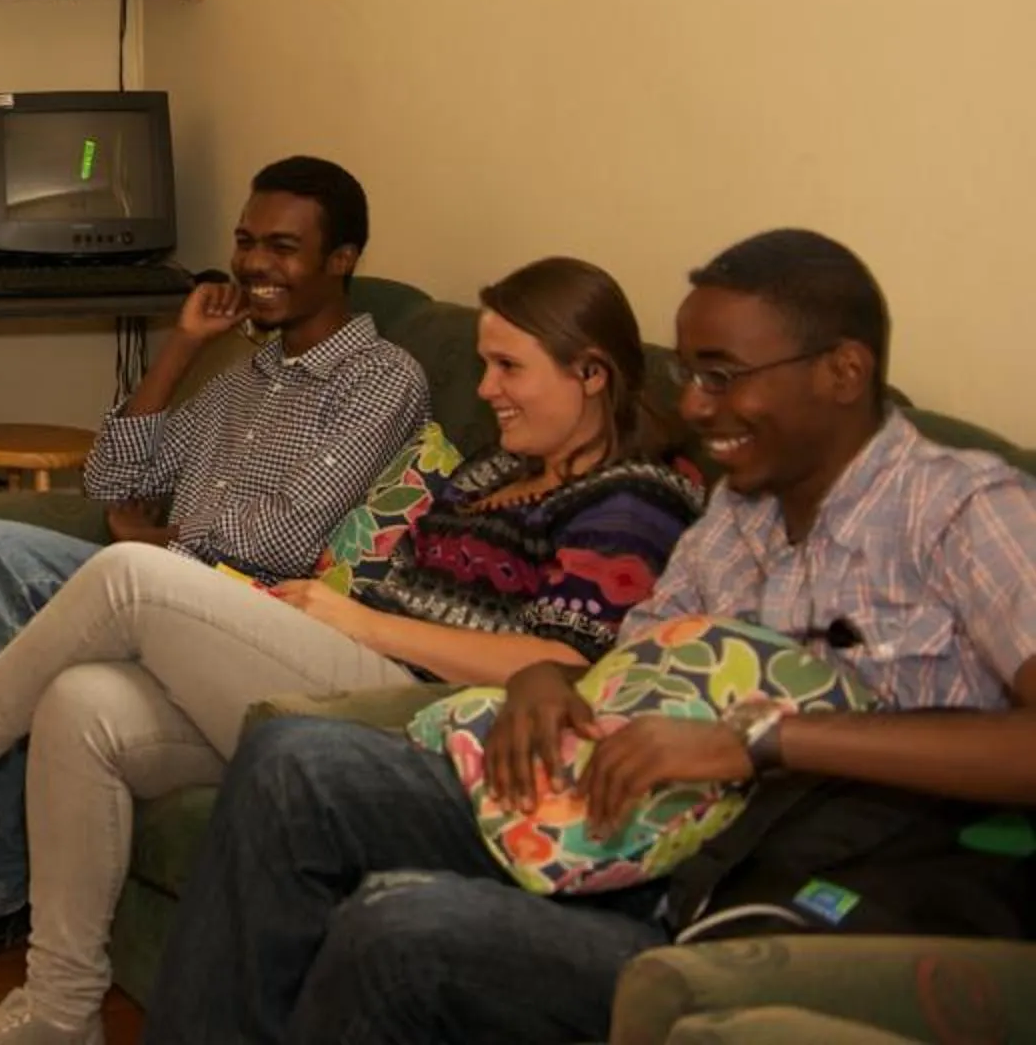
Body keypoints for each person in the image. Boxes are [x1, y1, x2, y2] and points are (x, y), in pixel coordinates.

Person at [0, 257, 707, 1044]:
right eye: (486, 365)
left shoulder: (630, 500)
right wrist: (327, 605)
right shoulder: (507, 462)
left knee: (132, 576)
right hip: (350, 655)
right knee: (81, 702)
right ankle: (60, 1006)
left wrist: (362, 623)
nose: (487, 390)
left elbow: (562, 663)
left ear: (592, 373)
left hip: (418, 714)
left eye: (509, 369)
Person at [147, 229, 1036, 1045]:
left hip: (760, 886)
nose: (694, 404)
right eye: (689, 372)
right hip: (613, 814)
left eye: (723, 375)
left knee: (402, 927)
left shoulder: (962, 510)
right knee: (297, 761)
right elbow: (624, 664)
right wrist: (543, 683)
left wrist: (755, 745)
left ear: (844, 371)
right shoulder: (739, 511)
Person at [0, 156, 428, 975]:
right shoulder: (248, 373)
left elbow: (281, 539)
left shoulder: (379, 380)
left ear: (342, 259)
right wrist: (181, 347)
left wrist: (158, 544)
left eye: (282, 247)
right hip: (140, 571)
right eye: (246, 243)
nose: (253, 265)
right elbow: (111, 481)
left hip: (224, 612)